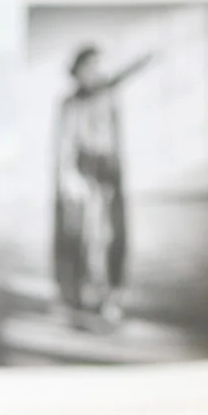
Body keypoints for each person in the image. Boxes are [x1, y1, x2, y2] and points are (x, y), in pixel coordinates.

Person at [51, 39, 155, 328]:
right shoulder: (70, 103)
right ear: (78, 70)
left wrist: (145, 60)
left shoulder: (107, 92)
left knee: (110, 235)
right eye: (90, 65)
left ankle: (110, 297)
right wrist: (69, 175)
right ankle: (80, 296)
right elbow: (64, 142)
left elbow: (125, 74)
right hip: (83, 172)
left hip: (109, 170)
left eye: (99, 65)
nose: (96, 71)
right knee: (85, 238)